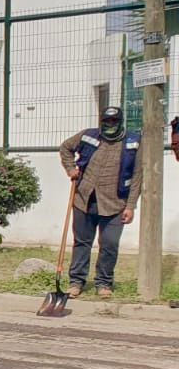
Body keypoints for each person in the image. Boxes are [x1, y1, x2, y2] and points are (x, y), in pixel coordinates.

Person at [58, 106, 141, 299]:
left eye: (114, 121)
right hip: (84, 199)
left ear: (120, 122)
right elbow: (65, 148)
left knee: (110, 244)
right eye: (106, 121)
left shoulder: (133, 141)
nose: (110, 124)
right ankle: (76, 282)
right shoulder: (88, 135)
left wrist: (130, 206)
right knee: (82, 242)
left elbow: (137, 176)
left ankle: (104, 283)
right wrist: (70, 169)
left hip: (115, 203)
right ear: (101, 122)